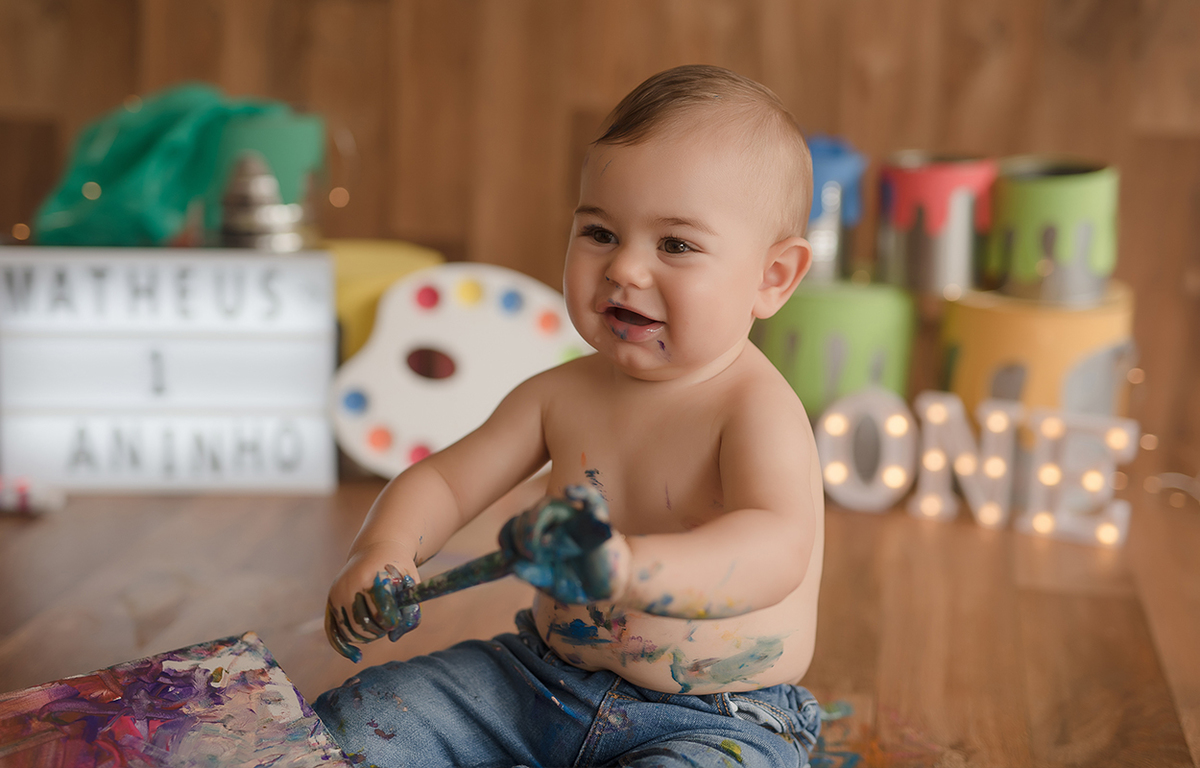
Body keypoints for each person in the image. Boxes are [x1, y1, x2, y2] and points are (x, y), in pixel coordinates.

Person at [315, 64, 825, 768]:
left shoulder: (755, 409)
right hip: (538, 680)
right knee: (362, 718)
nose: (625, 270)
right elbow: (447, 483)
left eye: (675, 245)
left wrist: (627, 569)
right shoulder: (560, 394)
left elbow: (776, 551)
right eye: (600, 233)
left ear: (773, 278)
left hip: (716, 718)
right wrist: (384, 551)